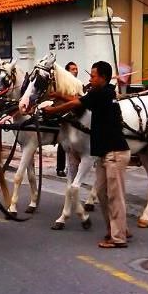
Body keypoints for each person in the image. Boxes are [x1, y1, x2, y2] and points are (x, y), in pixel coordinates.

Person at [42, 61, 131, 248]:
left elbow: (77, 102)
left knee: (115, 196)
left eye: (93, 76)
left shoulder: (103, 93)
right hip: (104, 154)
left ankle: (119, 237)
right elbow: (80, 101)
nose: (90, 79)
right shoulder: (102, 93)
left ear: (103, 78)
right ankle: (116, 228)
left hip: (115, 152)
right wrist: (58, 94)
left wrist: (52, 110)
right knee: (101, 192)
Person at [56, 62, 79, 177]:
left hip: (76, 117)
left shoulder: (78, 84)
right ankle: (60, 168)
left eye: (76, 69)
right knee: (63, 142)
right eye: (73, 69)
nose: (75, 71)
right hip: (64, 116)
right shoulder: (62, 84)